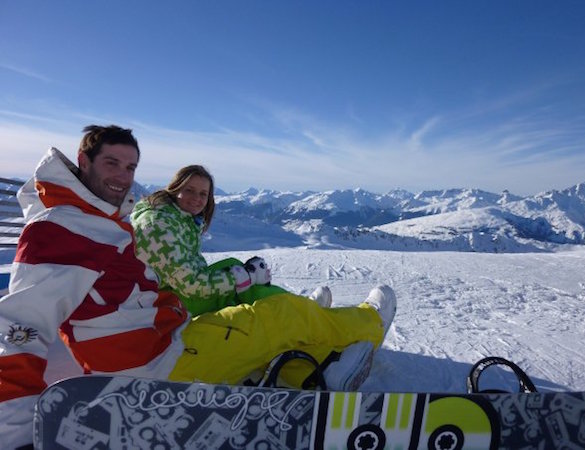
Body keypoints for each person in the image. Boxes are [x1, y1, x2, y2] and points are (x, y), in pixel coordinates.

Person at [0, 125, 396, 449]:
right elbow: (17, 328)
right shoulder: (62, 230)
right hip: (153, 369)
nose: (123, 176)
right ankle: (369, 324)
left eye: (131, 167)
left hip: (162, 343)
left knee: (255, 319)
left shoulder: (93, 219)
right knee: (280, 314)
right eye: (112, 163)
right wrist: (18, 437)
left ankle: (310, 373)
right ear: (84, 162)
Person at [130, 165, 327, 317]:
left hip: (168, 292)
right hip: (159, 304)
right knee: (237, 289)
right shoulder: (160, 225)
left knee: (233, 266)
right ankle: (302, 311)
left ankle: (298, 305)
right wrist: (244, 278)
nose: (196, 198)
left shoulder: (178, 217)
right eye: (189, 190)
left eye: (203, 194)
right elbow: (191, 286)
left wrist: (241, 275)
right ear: (175, 189)